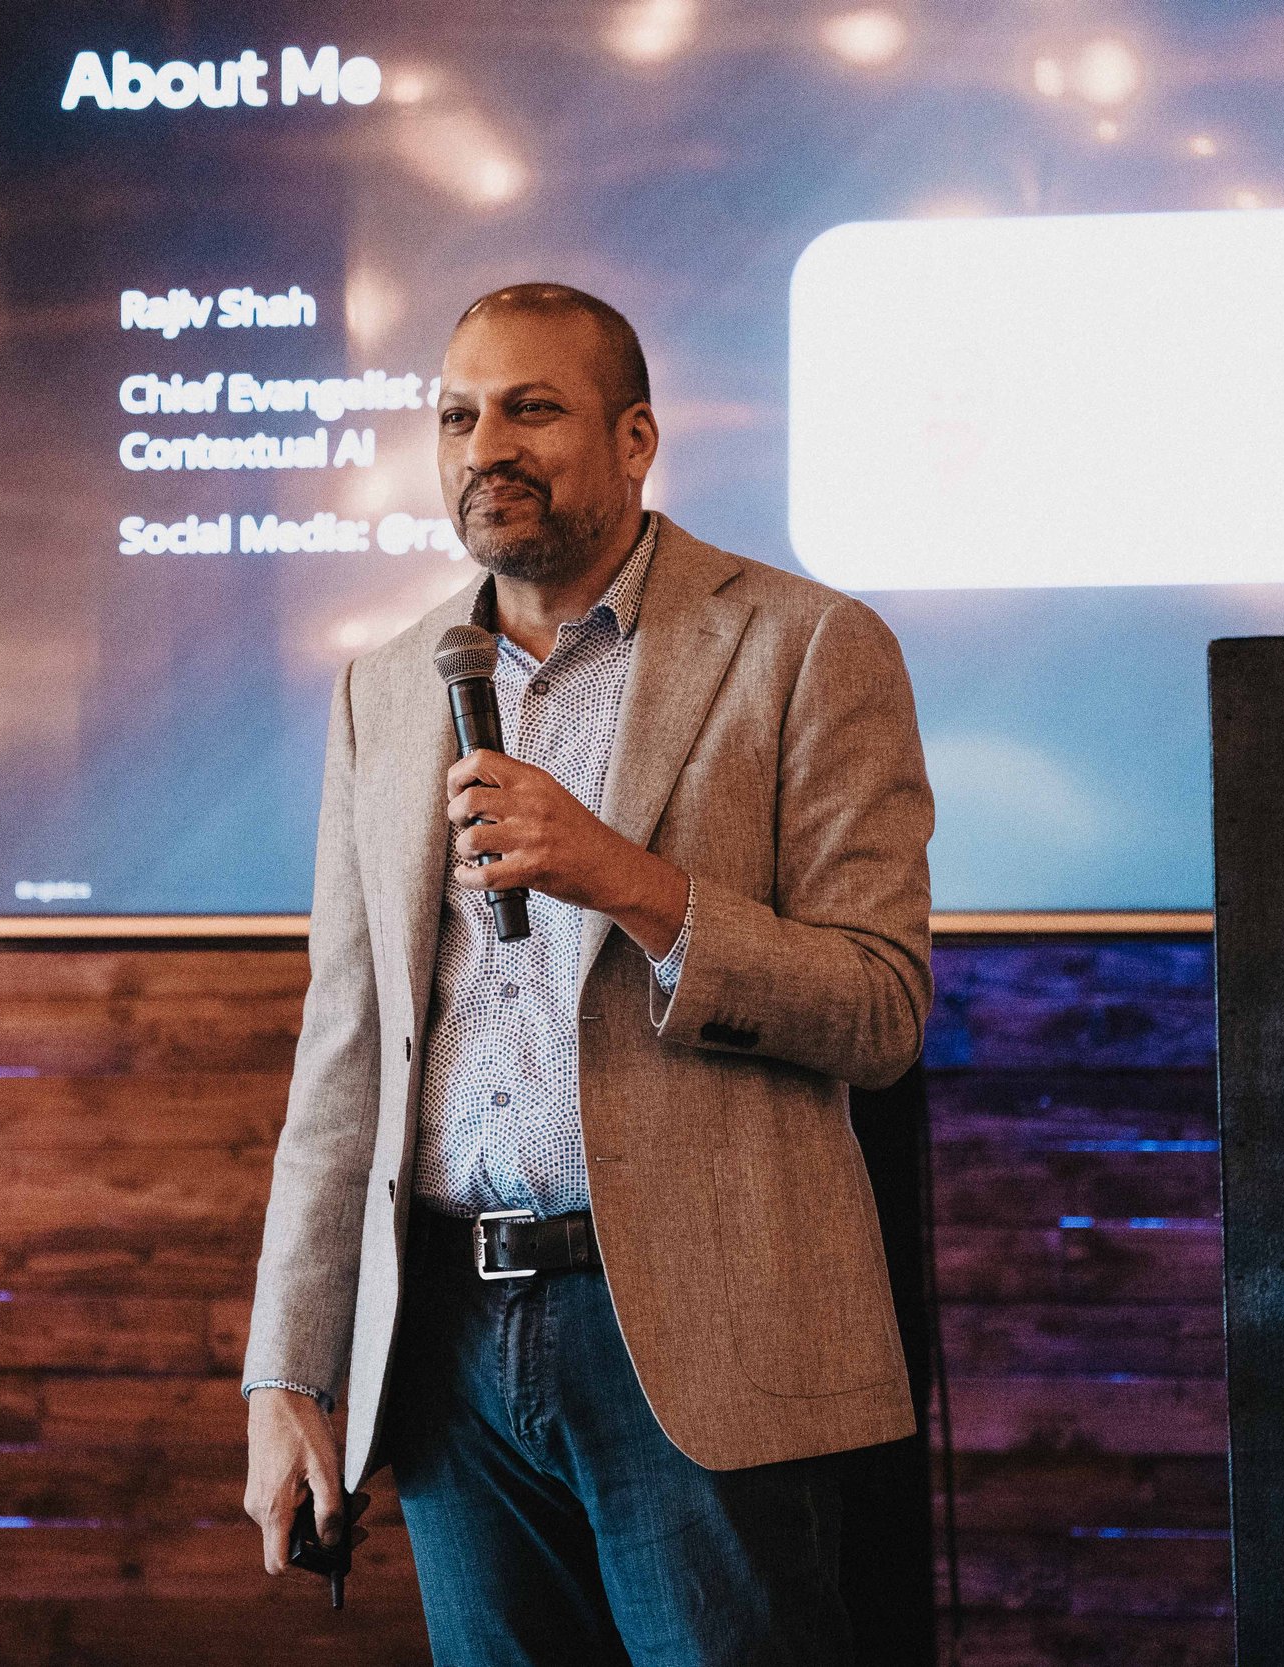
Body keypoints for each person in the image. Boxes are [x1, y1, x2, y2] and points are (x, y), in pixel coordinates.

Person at [240, 282, 934, 1665]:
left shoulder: (802, 646)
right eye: (457, 414)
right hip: (445, 1344)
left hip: (697, 1328)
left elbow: (879, 1006)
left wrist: (627, 879)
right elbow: (347, 1049)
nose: (484, 444)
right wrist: (290, 1367)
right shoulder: (387, 688)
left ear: (634, 440)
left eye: (531, 409)